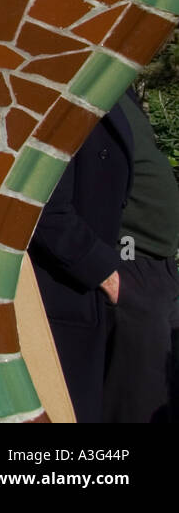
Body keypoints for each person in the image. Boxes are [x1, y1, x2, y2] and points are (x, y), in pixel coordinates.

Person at [28, 101, 132, 423]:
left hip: (99, 286)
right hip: (66, 291)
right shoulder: (60, 93)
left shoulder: (112, 88)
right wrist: (107, 274)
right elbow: (43, 207)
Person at [104, 90, 179, 422]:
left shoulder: (119, 85)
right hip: (128, 261)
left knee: (164, 391)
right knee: (137, 402)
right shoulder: (78, 76)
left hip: (158, 263)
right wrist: (107, 273)